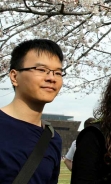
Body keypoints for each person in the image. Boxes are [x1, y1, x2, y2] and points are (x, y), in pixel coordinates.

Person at [0, 39, 64, 183]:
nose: (51, 78)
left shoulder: (53, 139)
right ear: (14, 76)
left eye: (58, 73)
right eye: (41, 70)